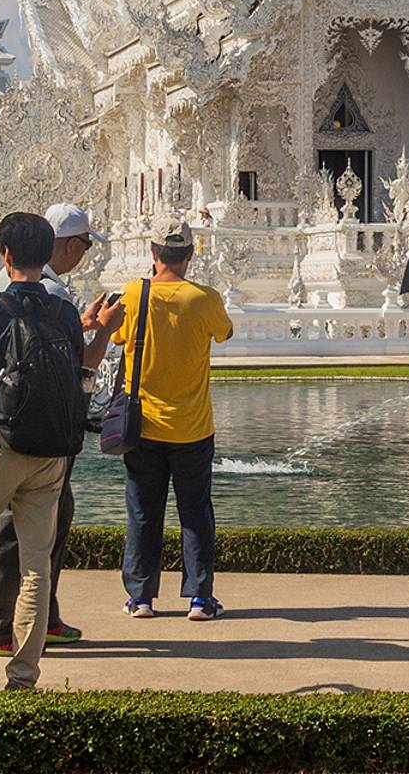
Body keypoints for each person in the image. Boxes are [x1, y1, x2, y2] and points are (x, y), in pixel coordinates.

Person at [0, 212, 121, 690]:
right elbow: (86, 364)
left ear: (5, 255)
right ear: (48, 254)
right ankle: (23, 676)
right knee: (37, 566)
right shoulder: (63, 310)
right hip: (49, 452)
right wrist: (102, 329)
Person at [0, 202, 112, 656]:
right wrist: (102, 331)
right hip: (43, 419)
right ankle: (3, 623)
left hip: (15, 416)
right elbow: (76, 363)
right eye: (84, 246)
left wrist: (82, 323)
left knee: (44, 517)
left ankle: (37, 616)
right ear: (68, 245)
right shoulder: (50, 293)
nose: (84, 254)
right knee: (27, 525)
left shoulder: (22, 285)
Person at [112, 218, 233, 621]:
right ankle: (199, 598)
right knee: (195, 513)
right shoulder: (205, 298)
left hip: (142, 425)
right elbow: (225, 333)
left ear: (153, 252)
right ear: (190, 255)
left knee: (143, 513)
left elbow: (116, 337)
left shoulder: (133, 294)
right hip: (192, 426)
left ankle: (141, 598)